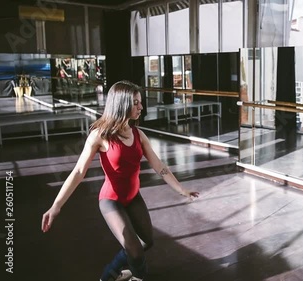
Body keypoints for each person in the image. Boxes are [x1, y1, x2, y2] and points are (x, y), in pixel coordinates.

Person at [41, 80, 200, 281]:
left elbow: (160, 167)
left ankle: (123, 270)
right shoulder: (100, 135)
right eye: (135, 103)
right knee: (134, 251)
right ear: (121, 104)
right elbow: (79, 171)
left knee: (146, 242)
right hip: (111, 200)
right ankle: (114, 275)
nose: (141, 107)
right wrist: (56, 206)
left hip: (133, 197)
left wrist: (181, 190)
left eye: (140, 102)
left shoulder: (138, 134)